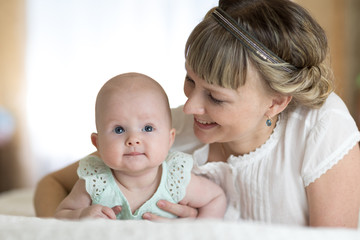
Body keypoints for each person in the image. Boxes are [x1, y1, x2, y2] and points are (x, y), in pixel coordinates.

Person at [34, 0, 360, 227]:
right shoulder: (163, 131)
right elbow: (52, 185)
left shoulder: (320, 128)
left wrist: (200, 231)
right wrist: (75, 226)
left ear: (276, 102)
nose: (189, 106)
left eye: (215, 97)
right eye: (190, 80)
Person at [53, 73, 226, 220]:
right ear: (97, 143)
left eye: (148, 128)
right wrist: (82, 215)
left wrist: (199, 230)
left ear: (169, 139)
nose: (133, 139)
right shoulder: (95, 182)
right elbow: (62, 214)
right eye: (119, 129)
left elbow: (215, 198)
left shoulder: (175, 180)